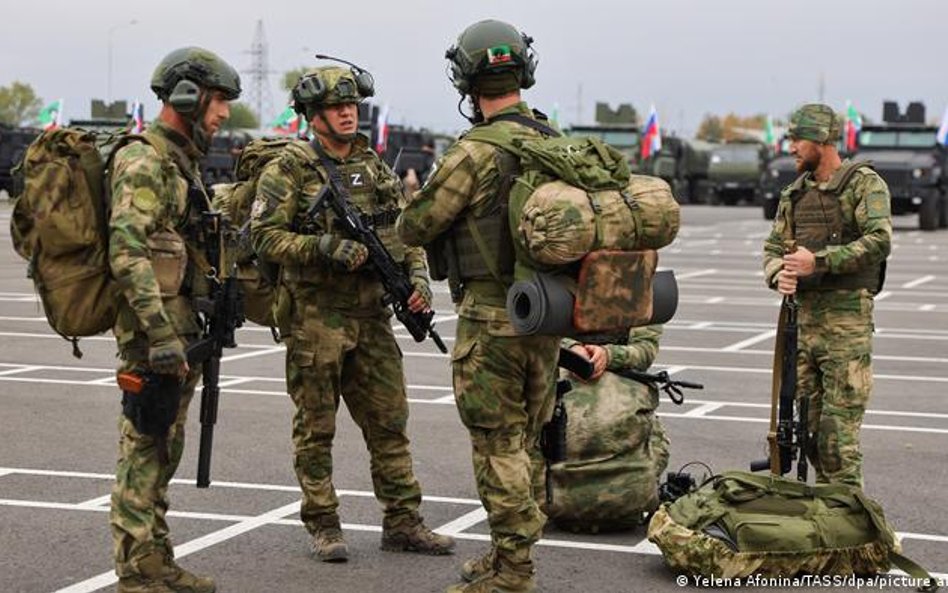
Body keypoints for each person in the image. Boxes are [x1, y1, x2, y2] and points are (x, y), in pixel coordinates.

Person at [249, 62, 454, 563]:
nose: (347, 114)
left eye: (351, 106)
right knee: (316, 428)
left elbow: (405, 234)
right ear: (312, 115)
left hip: (372, 318)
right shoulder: (290, 169)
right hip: (315, 318)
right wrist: (323, 247)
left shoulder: (375, 166)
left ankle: (403, 522)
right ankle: (323, 523)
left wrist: (419, 284)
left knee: (389, 423)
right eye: (336, 107)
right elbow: (262, 237)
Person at [397, 19, 560, 593]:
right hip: (547, 316)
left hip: (492, 321)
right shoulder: (553, 140)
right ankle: (503, 555)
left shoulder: (473, 153)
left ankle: (513, 573)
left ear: (467, 80)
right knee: (526, 443)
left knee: (496, 445)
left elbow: (416, 225)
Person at [109, 47, 241, 593]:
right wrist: (159, 333)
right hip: (155, 337)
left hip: (182, 333)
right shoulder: (145, 159)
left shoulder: (179, 159)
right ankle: (136, 573)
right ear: (189, 96)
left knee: (165, 449)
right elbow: (127, 248)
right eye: (220, 102)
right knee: (144, 449)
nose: (225, 114)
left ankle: (156, 560)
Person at [763, 103, 892, 488]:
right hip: (803, 327)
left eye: (797, 139)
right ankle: (825, 523)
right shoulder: (795, 194)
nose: (791, 148)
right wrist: (779, 275)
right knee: (809, 436)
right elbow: (773, 249)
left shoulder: (864, 184)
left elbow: (880, 240)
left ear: (821, 139)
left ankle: (851, 527)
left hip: (846, 325)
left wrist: (817, 262)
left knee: (839, 441)